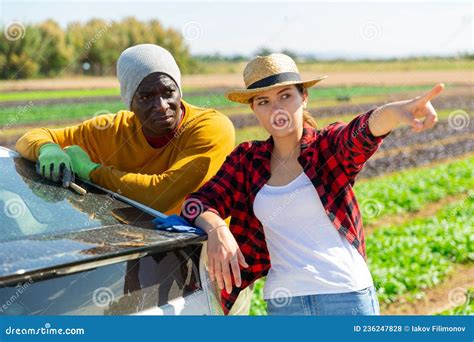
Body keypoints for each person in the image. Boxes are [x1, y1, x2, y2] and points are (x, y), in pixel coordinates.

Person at [180, 53, 444, 315]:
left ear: (303, 97)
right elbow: (197, 204)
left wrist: (396, 111)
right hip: (285, 302)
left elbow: (361, 133)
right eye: (264, 101)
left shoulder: (325, 148)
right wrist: (216, 228)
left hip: (345, 296)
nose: (277, 109)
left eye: (286, 96)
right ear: (254, 109)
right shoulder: (248, 160)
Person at [16, 44, 235, 216]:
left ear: (180, 91)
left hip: (195, 254)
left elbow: (159, 196)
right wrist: (47, 148)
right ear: (130, 102)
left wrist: (90, 171)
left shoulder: (210, 127)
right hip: (131, 250)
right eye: (146, 96)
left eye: (168, 92)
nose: (161, 106)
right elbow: (30, 138)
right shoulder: (113, 129)